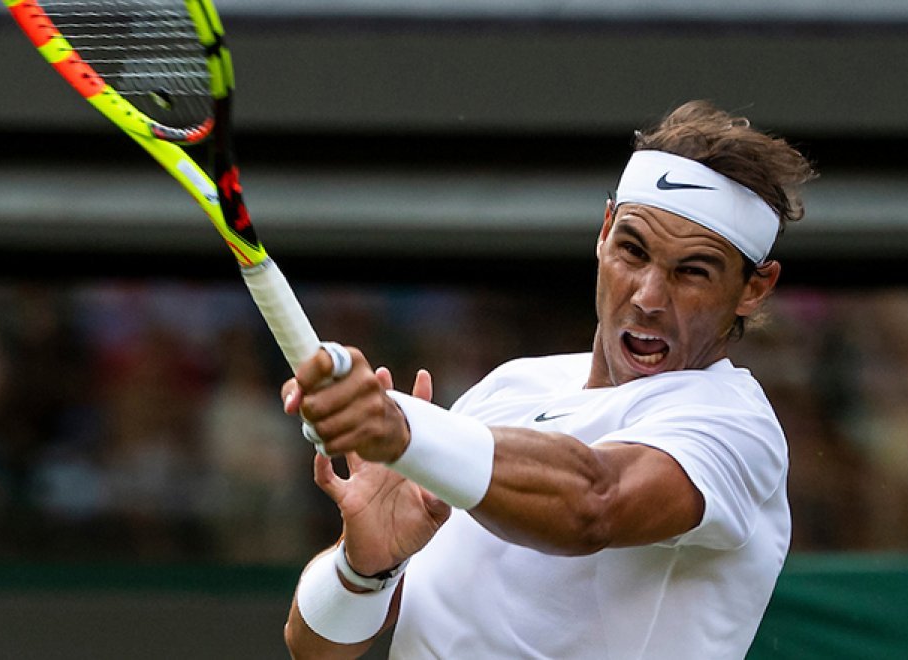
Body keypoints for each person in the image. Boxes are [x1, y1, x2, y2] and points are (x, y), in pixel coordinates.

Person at [281, 100, 816, 659]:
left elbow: (594, 501)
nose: (649, 297)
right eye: (633, 251)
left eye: (692, 272)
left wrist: (404, 431)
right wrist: (365, 567)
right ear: (604, 232)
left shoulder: (734, 424)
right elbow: (315, 649)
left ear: (754, 288)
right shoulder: (508, 389)